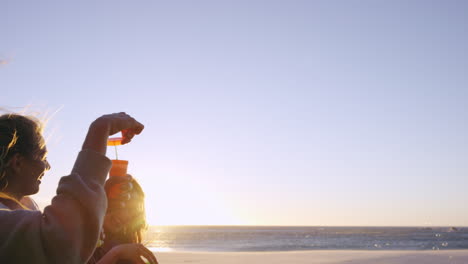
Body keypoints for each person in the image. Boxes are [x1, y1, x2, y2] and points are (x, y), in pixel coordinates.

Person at [0, 112, 145, 263]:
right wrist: (100, 129)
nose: (47, 166)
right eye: (42, 157)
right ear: (17, 163)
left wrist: (100, 212)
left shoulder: (25, 208)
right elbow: (60, 241)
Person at [88, 175, 158, 264]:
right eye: (120, 203)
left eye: (133, 209)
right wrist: (116, 254)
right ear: (104, 199)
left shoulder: (129, 251)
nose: (125, 215)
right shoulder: (80, 242)